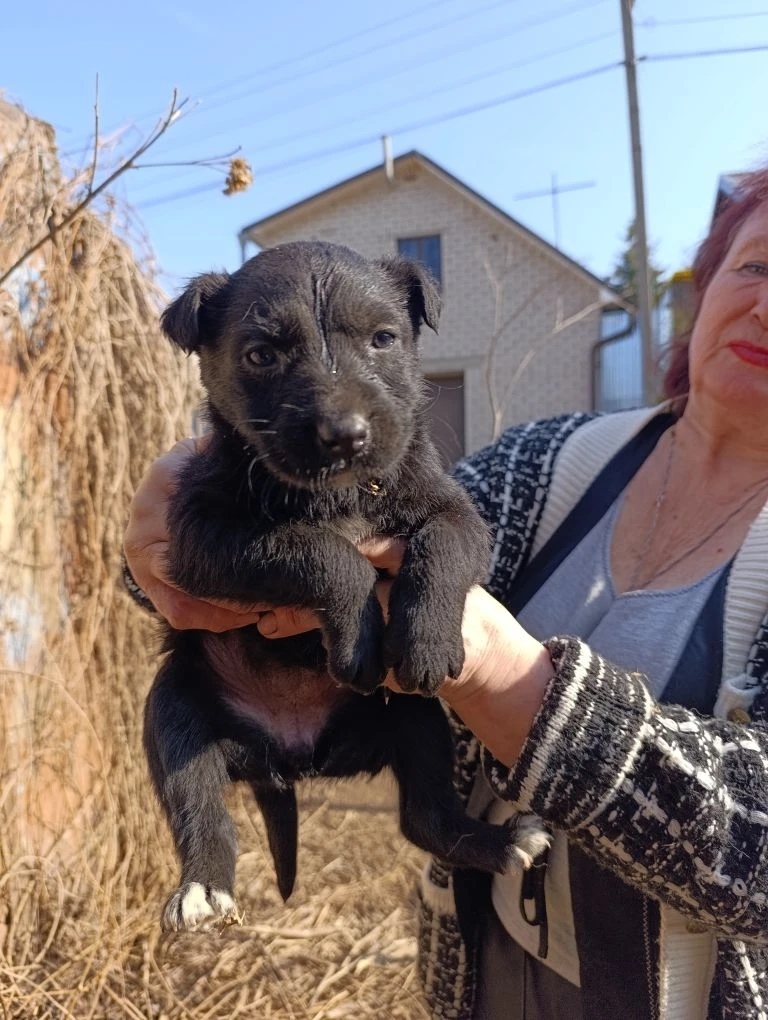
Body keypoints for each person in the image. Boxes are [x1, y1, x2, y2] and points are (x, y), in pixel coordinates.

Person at [124, 166, 768, 1019]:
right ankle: (213, 862)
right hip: (485, 985)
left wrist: (505, 678)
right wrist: (155, 547)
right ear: (706, 284)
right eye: (756, 267)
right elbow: (436, 529)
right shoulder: (555, 463)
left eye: (379, 342)